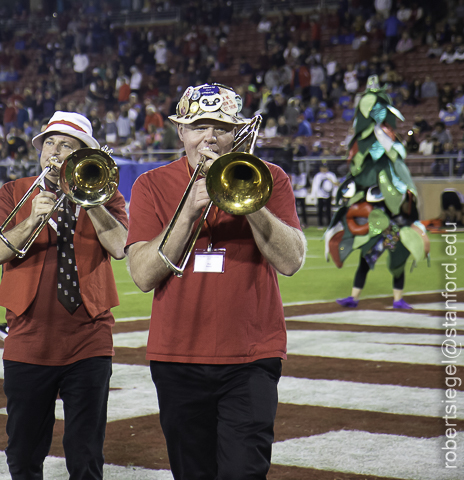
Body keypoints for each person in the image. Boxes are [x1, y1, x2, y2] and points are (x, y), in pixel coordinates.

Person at [124, 83, 306, 479]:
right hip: (177, 358)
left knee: (244, 472)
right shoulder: (151, 185)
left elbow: (291, 261)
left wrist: (247, 197)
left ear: (236, 133)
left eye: (221, 127)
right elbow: (141, 275)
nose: (210, 137)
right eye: (199, 126)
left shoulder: (268, 177)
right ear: (181, 133)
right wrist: (188, 211)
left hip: (251, 357)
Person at [0, 111, 128, 479]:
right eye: (49, 142)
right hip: (28, 338)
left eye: (66, 145)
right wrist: (31, 219)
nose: (54, 151)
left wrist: (91, 201)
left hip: (89, 338)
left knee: (85, 451)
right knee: (24, 450)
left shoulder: (105, 193)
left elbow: (122, 247)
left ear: (83, 153)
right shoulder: (14, 191)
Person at [310, 162, 339, 228]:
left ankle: (329, 224)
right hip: (320, 195)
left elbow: (335, 186)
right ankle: (320, 224)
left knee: (328, 210)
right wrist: (313, 195)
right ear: (320, 168)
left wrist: (334, 195)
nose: (324, 169)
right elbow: (315, 186)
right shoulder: (317, 176)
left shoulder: (331, 175)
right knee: (320, 210)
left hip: (329, 195)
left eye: (325, 167)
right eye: (323, 167)